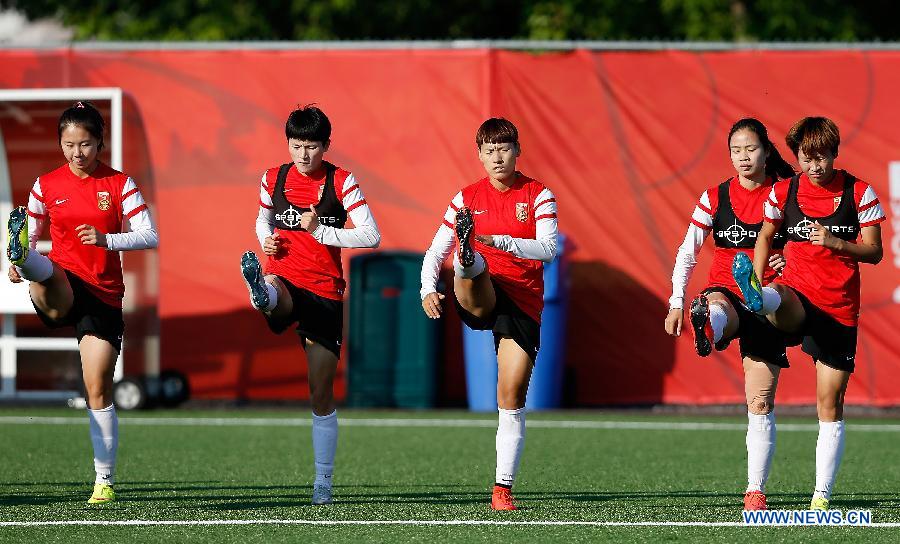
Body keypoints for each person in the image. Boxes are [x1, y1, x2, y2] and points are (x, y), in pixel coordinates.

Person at [6, 101, 159, 504]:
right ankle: (23, 257)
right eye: (69, 144)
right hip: (60, 284)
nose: (77, 153)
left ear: (100, 143)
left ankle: (103, 481)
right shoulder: (45, 186)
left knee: (98, 387)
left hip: (103, 296)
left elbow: (149, 235)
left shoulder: (120, 185)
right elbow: (37, 229)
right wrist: (16, 260)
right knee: (47, 268)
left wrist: (108, 239)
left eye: (86, 144)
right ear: (60, 143)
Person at [732, 116, 885, 511]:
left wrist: (837, 242)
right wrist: (762, 270)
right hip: (798, 294)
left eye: (821, 158)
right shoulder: (784, 192)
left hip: (838, 309)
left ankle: (821, 497)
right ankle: (758, 295)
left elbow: (875, 251)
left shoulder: (860, 193)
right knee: (779, 296)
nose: (814, 166)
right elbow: (766, 235)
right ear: (797, 157)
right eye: (806, 158)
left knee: (829, 406)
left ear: (835, 154)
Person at [240, 105, 380, 505]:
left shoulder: (342, 182)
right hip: (284, 275)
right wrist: (266, 238)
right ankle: (260, 291)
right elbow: (262, 221)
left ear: (326, 146)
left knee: (320, 391)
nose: (304, 155)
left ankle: (323, 482)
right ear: (288, 144)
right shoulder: (273, 178)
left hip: (325, 290)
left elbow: (371, 235)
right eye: (297, 146)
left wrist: (320, 230)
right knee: (273, 293)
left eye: (312, 147)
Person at [420, 118, 558, 511]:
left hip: (522, 301)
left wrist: (500, 240)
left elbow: (547, 248)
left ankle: (502, 489)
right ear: (479, 155)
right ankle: (468, 258)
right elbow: (433, 252)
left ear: (518, 150)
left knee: (510, 396)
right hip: (479, 293)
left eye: (504, 148)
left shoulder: (538, 194)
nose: (497, 157)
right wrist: (427, 288)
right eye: (489, 150)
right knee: (472, 264)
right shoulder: (466, 197)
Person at [665, 118, 796, 511]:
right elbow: (688, 251)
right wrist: (676, 300)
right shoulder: (714, 198)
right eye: (735, 150)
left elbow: (809, 244)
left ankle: (755, 491)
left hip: (771, 296)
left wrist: (788, 257)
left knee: (760, 403)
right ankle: (707, 319)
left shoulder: (787, 195)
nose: (743, 157)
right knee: (721, 303)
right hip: (725, 289)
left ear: (767, 151)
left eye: (750, 149)